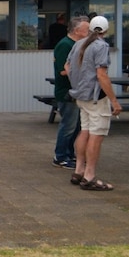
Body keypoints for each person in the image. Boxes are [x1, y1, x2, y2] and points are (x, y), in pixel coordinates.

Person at [65, 15, 122, 191]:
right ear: (105, 30)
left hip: (81, 96)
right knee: (96, 136)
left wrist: (78, 83)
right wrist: (114, 100)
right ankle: (89, 176)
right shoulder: (101, 46)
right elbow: (101, 75)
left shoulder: (78, 43)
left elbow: (67, 67)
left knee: (85, 131)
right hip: (96, 98)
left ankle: (79, 170)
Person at [51, 16, 89, 169]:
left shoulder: (75, 44)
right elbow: (62, 70)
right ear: (77, 30)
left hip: (75, 91)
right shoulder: (65, 45)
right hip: (67, 91)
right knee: (68, 125)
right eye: (86, 29)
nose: (89, 32)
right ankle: (60, 156)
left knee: (76, 126)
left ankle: (69, 154)